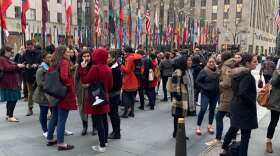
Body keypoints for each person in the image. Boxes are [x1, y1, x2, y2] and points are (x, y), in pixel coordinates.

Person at [206, 52, 249, 146]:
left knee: (219, 117)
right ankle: (233, 138)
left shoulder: (226, 66)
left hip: (227, 96)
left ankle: (218, 138)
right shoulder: (234, 65)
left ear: (224, 58)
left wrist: (219, 83)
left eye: (220, 56)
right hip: (233, 95)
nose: (218, 57)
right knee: (232, 117)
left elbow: (227, 83)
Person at [220, 53, 258, 156]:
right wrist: (251, 102)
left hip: (236, 105)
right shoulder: (247, 75)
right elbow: (242, 92)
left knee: (233, 128)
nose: (257, 63)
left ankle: (223, 149)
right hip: (244, 109)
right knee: (245, 135)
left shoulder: (237, 73)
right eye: (254, 61)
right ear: (247, 63)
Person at [80, 48, 113, 153]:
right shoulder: (108, 68)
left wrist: (83, 69)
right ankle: (105, 141)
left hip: (96, 98)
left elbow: (85, 79)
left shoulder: (95, 68)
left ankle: (102, 145)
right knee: (104, 120)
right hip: (105, 97)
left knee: (98, 122)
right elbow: (111, 85)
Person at [47, 46, 77, 151]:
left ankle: (50, 138)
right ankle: (61, 143)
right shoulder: (64, 62)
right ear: (63, 53)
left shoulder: (53, 62)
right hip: (64, 93)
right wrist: (69, 85)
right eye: (67, 52)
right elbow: (64, 77)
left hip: (54, 93)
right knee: (62, 119)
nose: (69, 53)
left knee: (54, 117)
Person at [0, 46, 25, 122]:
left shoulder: (6, 59)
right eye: (10, 52)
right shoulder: (2, 58)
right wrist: (17, 66)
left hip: (10, 82)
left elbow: (10, 66)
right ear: (5, 52)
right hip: (8, 82)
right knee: (13, 99)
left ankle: (8, 115)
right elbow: (7, 68)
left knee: (10, 100)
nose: (11, 53)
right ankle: (10, 116)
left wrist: (18, 66)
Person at [196, 57, 219, 135]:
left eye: (213, 62)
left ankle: (209, 126)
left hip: (215, 94)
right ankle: (198, 127)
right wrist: (205, 87)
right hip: (205, 93)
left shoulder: (218, 71)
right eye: (210, 62)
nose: (211, 63)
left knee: (212, 110)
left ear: (215, 62)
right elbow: (198, 81)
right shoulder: (204, 71)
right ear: (207, 63)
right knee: (203, 109)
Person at [75, 50, 96, 136]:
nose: (86, 58)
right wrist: (76, 90)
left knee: (94, 108)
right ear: (81, 58)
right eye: (84, 56)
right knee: (82, 108)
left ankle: (95, 127)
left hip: (92, 89)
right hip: (82, 90)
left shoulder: (93, 66)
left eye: (88, 56)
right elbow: (76, 79)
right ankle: (85, 126)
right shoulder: (79, 66)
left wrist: (90, 83)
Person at [168, 54, 188, 138]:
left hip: (182, 96)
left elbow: (185, 83)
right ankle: (177, 133)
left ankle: (178, 133)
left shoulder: (182, 71)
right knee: (178, 115)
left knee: (180, 116)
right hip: (179, 97)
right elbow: (175, 87)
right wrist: (178, 97)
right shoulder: (178, 72)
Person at [33, 52, 53, 137]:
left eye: (51, 57)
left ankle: (60, 128)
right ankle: (45, 130)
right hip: (43, 95)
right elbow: (40, 84)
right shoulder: (41, 70)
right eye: (48, 57)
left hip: (51, 94)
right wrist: (52, 84)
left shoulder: (51, 67)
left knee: (55, 113)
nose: (50, 59)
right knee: (43, 113)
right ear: (43, 59)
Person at [21, 40, 41, 116]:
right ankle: (30, 108)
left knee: (41, 92)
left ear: (33, 46)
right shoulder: (24, 54)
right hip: (29, 75)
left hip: (39, 75)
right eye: (27, 47)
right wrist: (26, 65)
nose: (29, 48)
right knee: (30, 93)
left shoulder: (39, 53)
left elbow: (43, 61)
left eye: (30, 47)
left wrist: (37, 65)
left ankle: (45, 109)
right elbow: (21, 62)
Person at [121, 47, 142, 118]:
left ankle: (125, 113)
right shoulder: (137, 57)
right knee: (132, 97)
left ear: (127, 52)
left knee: (126, 97)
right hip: (135, 80)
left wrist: (121, 66)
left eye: (124, 52)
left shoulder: (129, 58)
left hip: (129, 80)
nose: (123, 53)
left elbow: (127, 70)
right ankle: (132, 112)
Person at [108, 50, 122, 139]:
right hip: (113, 94)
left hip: (113, 94)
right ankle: (115, 131)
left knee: (114, 114)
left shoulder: (115, 69)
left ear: (113, 58)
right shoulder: (112, 67)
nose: (107, 59)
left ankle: (116, 133)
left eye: (108, 57)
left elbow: (117, 84)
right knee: (112, 114)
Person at [265, 68, 280, 153]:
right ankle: (268, 141)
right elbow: (273, 83)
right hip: (276, 102)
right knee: (274, 122)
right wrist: (279, 75)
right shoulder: (277, 71)